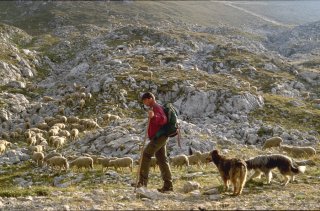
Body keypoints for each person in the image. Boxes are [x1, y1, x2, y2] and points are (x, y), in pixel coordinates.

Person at [136, 92, 173, 192]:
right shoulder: (153, 107)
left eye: (145, 100)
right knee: (162, 160)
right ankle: (168, 186)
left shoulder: (156, 107)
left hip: (159, 137)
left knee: (146, 155)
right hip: (159, 136)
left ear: (150, 98)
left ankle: (142, 183)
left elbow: (163, 120)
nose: (144, 103)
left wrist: (153, 117)